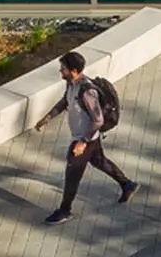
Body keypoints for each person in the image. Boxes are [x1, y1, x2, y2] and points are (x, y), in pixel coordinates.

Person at [37, 50, 137, 224]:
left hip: (84, 139)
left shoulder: (87, 92)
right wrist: (47, 118)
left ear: (74, 71)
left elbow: (98, 120)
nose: (60, 71)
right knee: (100, 162)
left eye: (63, 68)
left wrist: (82, 142)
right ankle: (127, 184)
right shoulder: (71, 84)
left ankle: (64, 210)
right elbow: (65, 101)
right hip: (88, 138)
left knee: (72, 175)